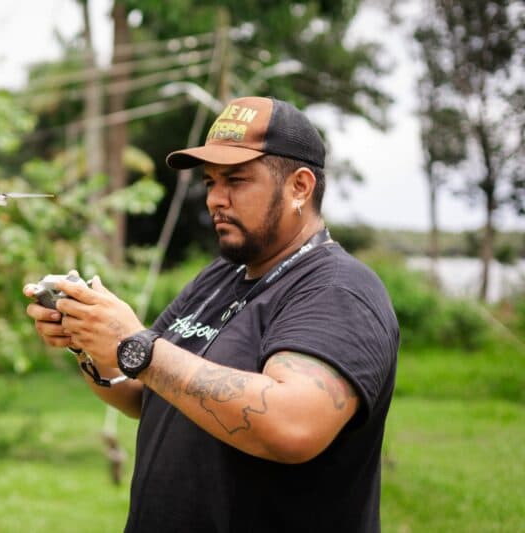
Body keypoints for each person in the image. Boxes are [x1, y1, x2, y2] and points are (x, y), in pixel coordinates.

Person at [24, 96, 399, 532]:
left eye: (236, 180)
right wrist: (88, 339)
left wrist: (137, 346)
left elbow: (293, 424)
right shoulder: (222, 275)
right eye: (210, 182)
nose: (216, 200)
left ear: (299, 187)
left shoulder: (338, 290)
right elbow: (144, 393)